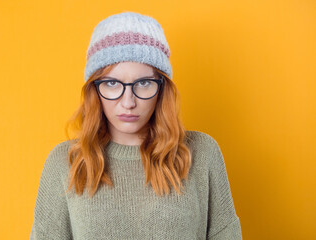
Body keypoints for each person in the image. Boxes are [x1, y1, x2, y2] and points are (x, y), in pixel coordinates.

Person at [30, 11, 242, 240]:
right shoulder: (65, 163)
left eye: (143, 83)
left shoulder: (201, 153)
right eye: (112, 83)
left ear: (161, 88)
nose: (128, 102)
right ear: (94, 90)